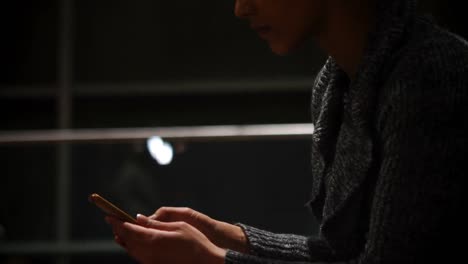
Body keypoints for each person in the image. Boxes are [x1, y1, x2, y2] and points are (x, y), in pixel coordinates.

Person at [106, 0, 468, 263]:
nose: (241, 8)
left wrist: (213, 259)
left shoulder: (431, 76)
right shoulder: (334, 84)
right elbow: (339, 253)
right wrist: (227, 236)